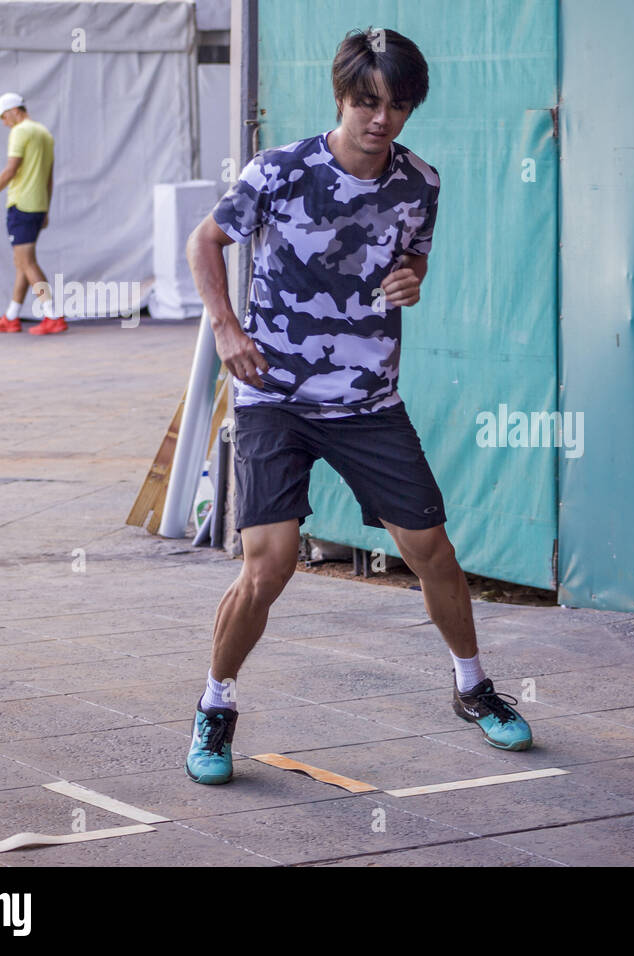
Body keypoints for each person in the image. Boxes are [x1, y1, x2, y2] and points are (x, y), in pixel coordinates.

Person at [182, 28, 533, 784]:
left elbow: (414, 254)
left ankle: (473, 689)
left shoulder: (420, 182)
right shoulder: (279, 171)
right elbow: (205, 242)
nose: (381, 118)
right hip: (274, 394)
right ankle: (216, 706)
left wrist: (413, 276)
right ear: (341, 96)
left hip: (368, 398)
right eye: (367, 101)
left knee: (431, 548)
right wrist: (226, 328)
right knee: (269, 566)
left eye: (398, 105)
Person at [0, 92, 66, 334]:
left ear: (15, 110)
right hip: (37, 206)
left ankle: (53, 315)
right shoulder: (44, 134)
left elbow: (10, 170)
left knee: (27, 262)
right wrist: (46, 208)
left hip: (21, 206)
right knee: (22, 263)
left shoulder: (20, 132)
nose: (4, 123)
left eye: (4, 117)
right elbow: (49, 177)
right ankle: (12, 316)